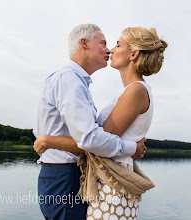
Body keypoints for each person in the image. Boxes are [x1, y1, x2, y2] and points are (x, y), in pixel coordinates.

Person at [34, 27, 167, 220]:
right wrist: (132, 148)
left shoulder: (134, 90)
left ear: (133, 54)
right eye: (104, 43)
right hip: (90, 179)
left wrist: (48, 140)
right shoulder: (74, 80)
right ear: (84, 44)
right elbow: (93, 139)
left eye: (117, 44)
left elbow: (92, 141)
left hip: (110, 183)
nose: (110, 49)